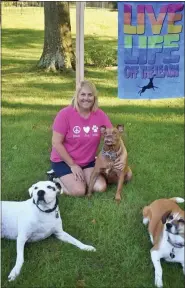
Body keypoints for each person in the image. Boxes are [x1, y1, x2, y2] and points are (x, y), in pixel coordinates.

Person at [50, 80, 113, 196]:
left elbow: (111, 136)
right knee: (79, 191)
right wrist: (72, 165)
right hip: (64, 161)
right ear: (77, 96)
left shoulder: (100, 115)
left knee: (101, 187)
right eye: (83, 94)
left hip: (88, 161)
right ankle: (56, 179)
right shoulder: (65, 114)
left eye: (90, 95)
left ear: (94, 97)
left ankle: (82, 176)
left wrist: (112, 157)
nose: (86, 98)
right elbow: (56, 143)